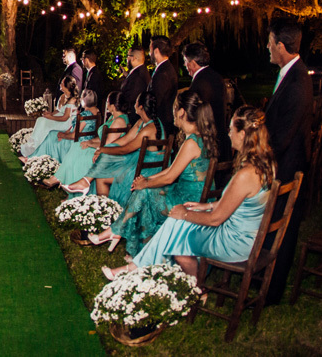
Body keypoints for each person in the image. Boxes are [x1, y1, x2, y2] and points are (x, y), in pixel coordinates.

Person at [104, 106, 276, 281]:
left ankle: (147, 272)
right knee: (177, 222)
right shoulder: (266, 164)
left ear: (242, 134)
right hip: (244, 237)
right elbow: (239, 204)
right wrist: (206, 205)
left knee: (178, 227)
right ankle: (139, 268)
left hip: (233, 243)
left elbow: (215, 219)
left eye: (231, 129)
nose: (229, 134)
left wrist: (185, 214)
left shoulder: (246, 174)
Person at [104, 91, 216, 256]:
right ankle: (126, 239)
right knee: (144, 192)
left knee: (144, 194)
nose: (172, 112)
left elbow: (170, 177)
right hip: (192, 194)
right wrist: (146, 180)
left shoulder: (192, 142)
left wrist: (146, 183)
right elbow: (170, 170)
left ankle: (120, 235)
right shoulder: (198, 137)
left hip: (190, 200)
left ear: (182, 112)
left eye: (175, 108)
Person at [263, 19, 313, 305]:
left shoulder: (296, 81)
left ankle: (272, 290)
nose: (267, 48)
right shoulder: (289, 73)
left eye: (270, 43)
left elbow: (282, 137)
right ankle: (265, 275)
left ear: (281, 46)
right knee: (275, 223)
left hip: (287, 164)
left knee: (282, 226)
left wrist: (259, 156)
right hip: (285, 162)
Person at [70, 92, 160, 201]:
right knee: (101, 172)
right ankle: (97, 199)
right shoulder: (141, 122)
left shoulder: (149, 129)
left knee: (102, 174)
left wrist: (104, 150)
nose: (133, 104)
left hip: (145, 171)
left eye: (136, 102)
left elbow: (125, 149)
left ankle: (90, 188)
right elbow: (125, 139)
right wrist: (104, 149)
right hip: (137, 163)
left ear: (141, 107)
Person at [42, 90, 101, 188]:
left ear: (84, 101)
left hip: (80, 141)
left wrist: (63, 135)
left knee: (57, 139)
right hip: (88, 139)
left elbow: (74, 135)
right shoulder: (98, 112)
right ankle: (54, 171)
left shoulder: (85, 115)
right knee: (56, 137)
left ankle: (55, 174)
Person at [184, 42, 229, 162]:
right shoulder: (217, 77)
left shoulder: (199, 83)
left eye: (185, 61)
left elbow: (195, 114)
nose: (185, 65)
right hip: (222, 137)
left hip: (208, 143)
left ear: (192, 63)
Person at [18, 76, 80, 160]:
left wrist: (50, 117)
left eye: (62, 83)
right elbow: (59, 110)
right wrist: (50, 113)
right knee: (41, 120)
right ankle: (31, 146)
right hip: (60, 118)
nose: (60, 84)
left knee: (44, 122)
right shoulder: (63, 96)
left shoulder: (72, 99)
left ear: (66, 85)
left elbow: (65, 117)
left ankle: (32, 147)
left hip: (66, 123)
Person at [147, 36, 179, 135]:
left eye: (150, 50)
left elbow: (156, 101)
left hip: (160, 126)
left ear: (156, 51)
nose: (149, 53)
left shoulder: (163, 73)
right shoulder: (166, 68)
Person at [119, 47, 150, 115]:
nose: (127, 59)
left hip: (132, 116)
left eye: (128, 56)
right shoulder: (141, 71)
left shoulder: (138, 76)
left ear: (133, 58)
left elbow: (130, 97)